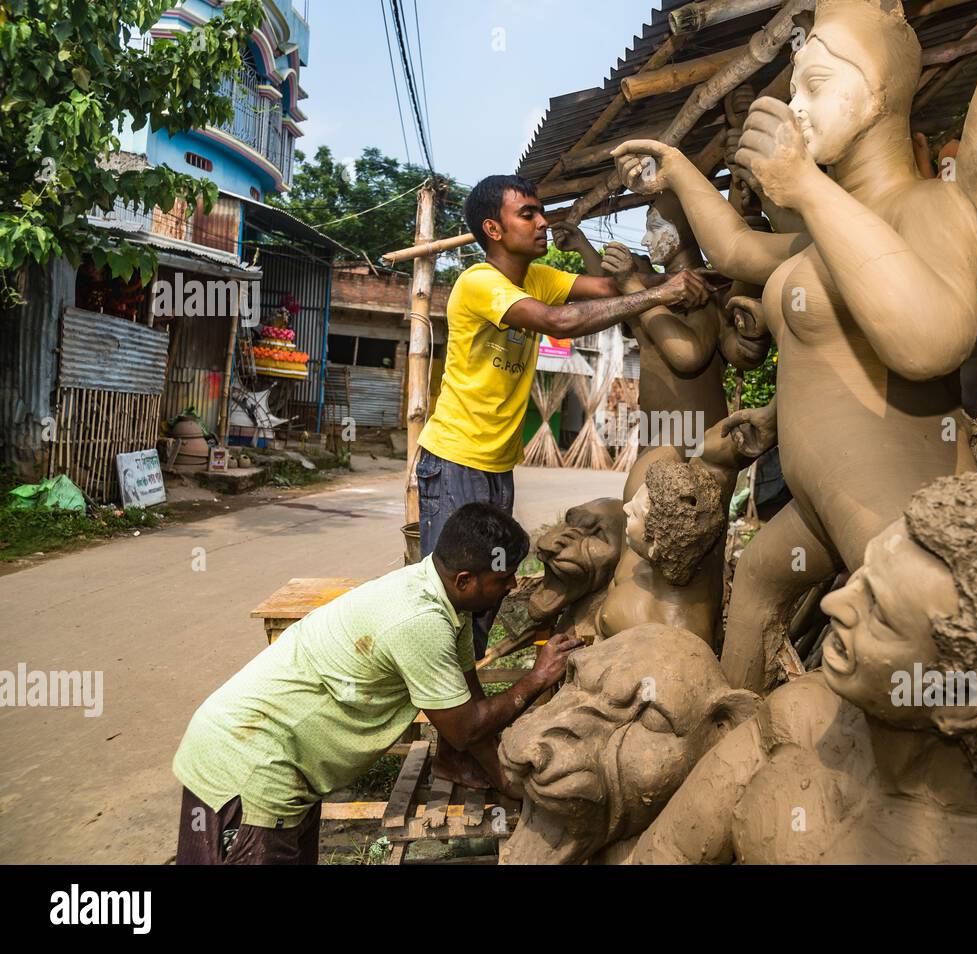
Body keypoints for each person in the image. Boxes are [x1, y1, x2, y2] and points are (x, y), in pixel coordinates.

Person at [171, 503, 583, 865]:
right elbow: (466, 727)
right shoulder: (420, 622)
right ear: (463, 579)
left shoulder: (444, 601)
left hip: (284, 765)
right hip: (249, 768)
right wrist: (536, 677)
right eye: (504, 578)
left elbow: (467, 706)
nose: (513, 586)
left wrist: (503, 781)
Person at [415, 175, 710, 657]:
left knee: (489, 584)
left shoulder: (535, 278)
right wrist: (661, 295)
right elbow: (560, 321)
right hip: (454, 460)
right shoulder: (479, 282)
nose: (542, 222)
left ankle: (464, 698)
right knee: (449, 593)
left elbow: (608, 288)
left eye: (540, 211)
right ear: (493, 228)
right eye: (527, 214)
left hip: (495, 467)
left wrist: (690, 280)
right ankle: (440, 702)